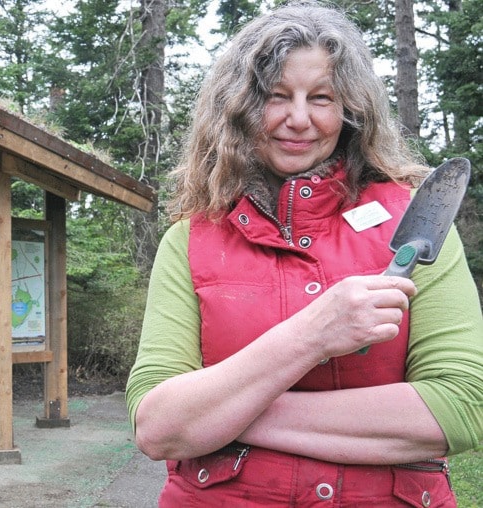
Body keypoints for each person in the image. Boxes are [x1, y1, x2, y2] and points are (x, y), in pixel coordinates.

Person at [125, 2, 483, 506]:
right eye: (276, 96)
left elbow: (458, 409)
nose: (298, 119)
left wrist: (221, 415)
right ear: (240, 107)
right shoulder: (190, 240)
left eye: (321, 97)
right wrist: (313, 335)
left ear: (351, 108)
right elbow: (158, 428)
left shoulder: (415, 224)